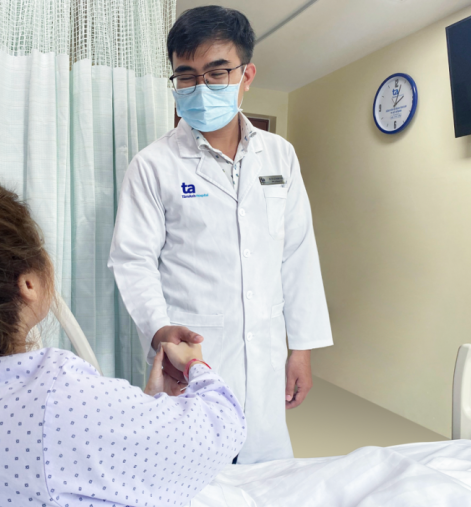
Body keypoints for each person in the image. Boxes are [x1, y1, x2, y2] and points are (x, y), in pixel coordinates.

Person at [0, 178, 246, 507]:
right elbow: (224, 429)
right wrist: (197, 368)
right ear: (27, 284)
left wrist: (152, 407)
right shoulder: (56, 393)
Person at [108, 6, 332, 464]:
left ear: (247, 74)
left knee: (266, 476)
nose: (199, 86)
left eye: (216, 72)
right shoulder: (153, 165)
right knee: (189, 477)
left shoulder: (280, 156)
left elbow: (297, 254)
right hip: (190, 355)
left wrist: (301, 349)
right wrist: (157, 330)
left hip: (265, 357)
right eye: (185, 76)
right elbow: (132, 259)